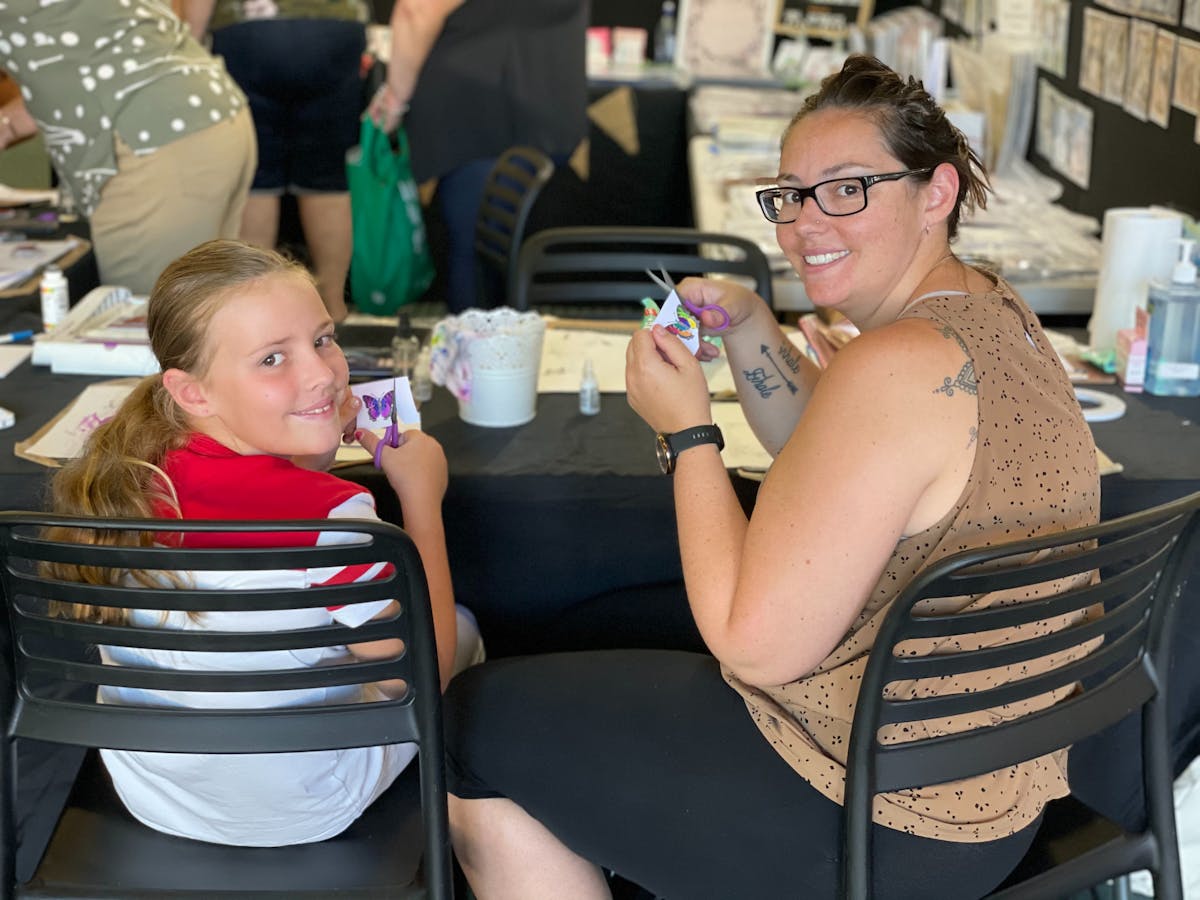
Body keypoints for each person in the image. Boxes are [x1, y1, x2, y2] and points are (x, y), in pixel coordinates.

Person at [442, 55, 1100, 898]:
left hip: (878, 821)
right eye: (790, 195)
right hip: (984, 782)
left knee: (471, 721)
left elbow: (752, 645)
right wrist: (752, 325)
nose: (803, 225)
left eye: (847, 189)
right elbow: (843, 451)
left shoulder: (897, 364)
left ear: (936, 193)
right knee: (584, 628)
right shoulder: (995, 313)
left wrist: (688, 433)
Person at [46, 239, 482, 846]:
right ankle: (475, 820)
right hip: (304, 802)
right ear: (192, 392)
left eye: (323, 340)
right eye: (273, 359)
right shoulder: (333, 518)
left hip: (154, 790)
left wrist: (308, 451)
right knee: (460, 628)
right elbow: (414, 678)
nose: (323, 374)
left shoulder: (125, 474)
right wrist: (421, 501)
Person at [0, 2, 256, 297]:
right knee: (206, 304)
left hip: (155, 140)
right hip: (204, 115)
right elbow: (81, 61)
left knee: (149, 310)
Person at [368, 0, 587, 312]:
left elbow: (417, 9)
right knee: (511, 254)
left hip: (477, 106)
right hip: (547, 102)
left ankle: (474, 341)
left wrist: (395, 99)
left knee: (473, 252)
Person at [180, 0, 371, 322]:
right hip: (335, 30)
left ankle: (257, 310)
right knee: (327, 180)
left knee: (257, 180)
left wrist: (191, 48)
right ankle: (333, 309)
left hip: (250, 31)